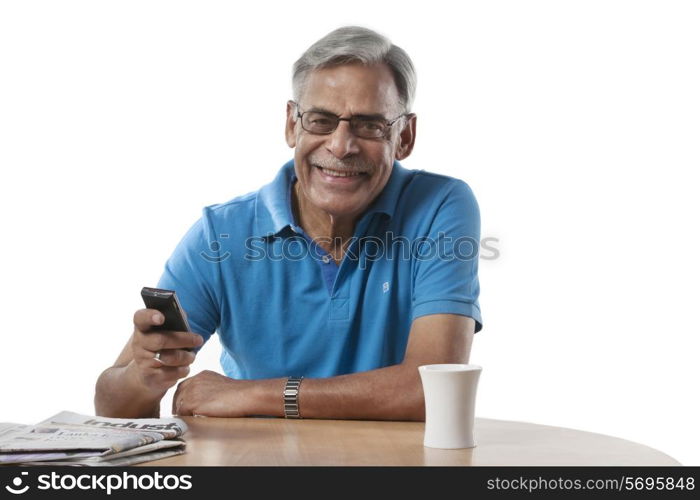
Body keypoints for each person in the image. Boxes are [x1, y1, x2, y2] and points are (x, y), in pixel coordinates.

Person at [94, 26, 483, 421]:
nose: (341, 146)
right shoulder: (220, 233)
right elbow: (111, 407)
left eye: (369, 125)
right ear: (292, 125)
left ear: (405, 136)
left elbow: (435, 390)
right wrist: (143, 378)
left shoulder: (441, 206)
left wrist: (254, 395)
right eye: (320, 120)